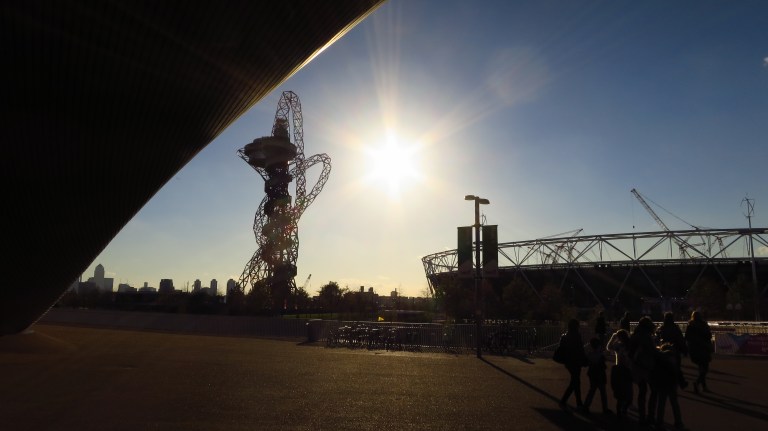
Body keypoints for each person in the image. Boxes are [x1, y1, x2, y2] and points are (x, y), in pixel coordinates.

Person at [648, 342, 688, 430]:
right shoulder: (674, 358)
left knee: (661, 403)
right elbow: (678, 372)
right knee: (674, 404)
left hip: (662, 383)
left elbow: (654, 371)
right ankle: (678, 422)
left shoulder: (659, 359)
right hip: (672, 383)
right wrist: (682, 382)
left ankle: (659, 422)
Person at [628, 316, 656, 425]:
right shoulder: (646, 337)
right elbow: (652, 351)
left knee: (642, 391)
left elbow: (630, 352)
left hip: (637, 366)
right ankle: (651, 415)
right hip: (647, 366)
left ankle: (642, 415)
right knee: (653, 391)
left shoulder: (635, 336)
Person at [558, 318, 587, 413]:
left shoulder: (565, 336)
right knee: (575, 381)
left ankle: (568, 401)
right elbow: (580, 350)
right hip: (576, 361)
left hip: (568, 361)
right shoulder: (577, 336)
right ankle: (577, 403)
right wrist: (584, 360)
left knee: (575, 381)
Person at [656, 311, 688, 389]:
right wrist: (684, 349)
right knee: (676, 366)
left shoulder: (662, 327)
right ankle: (681, 382)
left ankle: (666, 382)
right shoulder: (675, 328)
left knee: (665, 367)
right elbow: (680, 339)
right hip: (674, 349)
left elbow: (658, 337)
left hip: (664, 349)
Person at [607, 329, 633, 422]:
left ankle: (622, 410)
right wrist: (613, 337)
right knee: (624, 392)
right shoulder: (622, 345)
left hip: (622, 370)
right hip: (624, 370)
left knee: (623, 393)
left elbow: (609, 347)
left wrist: (613, 337)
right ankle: (621, 410)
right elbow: (609, 347)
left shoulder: (620, 345)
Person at [685, 310, 713, 394]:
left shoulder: (690, 325)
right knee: (705, 368)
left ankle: (703, 386)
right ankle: (697, 383)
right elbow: (709, 335)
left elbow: (687, 337)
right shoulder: (703, 324)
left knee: (701, 368)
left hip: (694, 349)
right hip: (703, 348)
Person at [581, 336, 611, 415]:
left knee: (592, 390)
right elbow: (603, 364)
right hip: (600, 374)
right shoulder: (600, 355)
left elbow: (587, 362)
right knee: (603, 392)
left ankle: (586, 406)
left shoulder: (590, 354)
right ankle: (605, 408)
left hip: (592, 373)